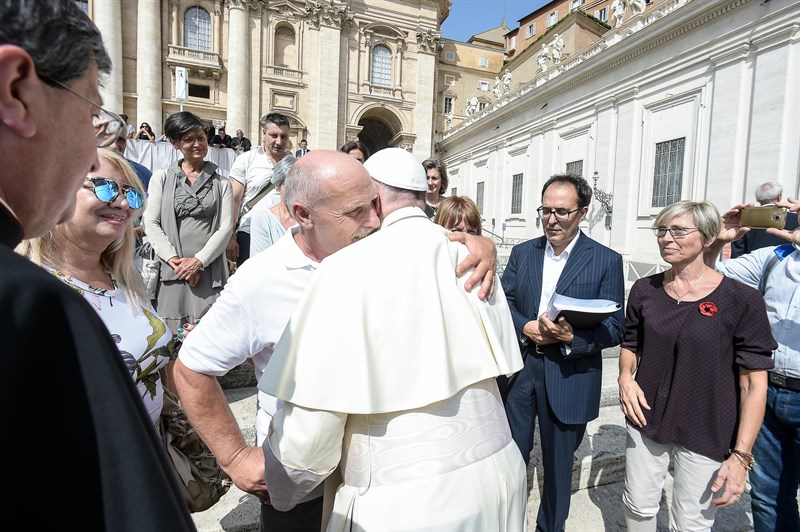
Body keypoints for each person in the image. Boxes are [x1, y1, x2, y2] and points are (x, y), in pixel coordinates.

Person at [175, 150, 499, 532]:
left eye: (375, 204)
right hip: (301, 486)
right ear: (303, 215)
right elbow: (191, 368)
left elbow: (434, 246)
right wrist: (235, 458)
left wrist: (477, 246)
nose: (375, 220)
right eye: (355, 212)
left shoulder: (383, 250)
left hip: (377, 478)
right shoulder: (260, 281)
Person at [0, 2, 195, 530]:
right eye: (91, 116)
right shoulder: (30, 300)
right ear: (16, 90)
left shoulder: (105, 283)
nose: (92, 155)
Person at [258, 147, 526, 531]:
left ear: (376, 198)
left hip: (407, 504)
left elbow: (307, 445)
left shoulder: (343, 269)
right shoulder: (470, 254)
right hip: (503, 477)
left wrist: (281, 492)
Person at [619, 200, 775, 531]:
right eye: (661, 230)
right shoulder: (645, 290)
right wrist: (624, 377)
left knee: (691, 522)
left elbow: (753, 384)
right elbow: (631, 343)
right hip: (645, 416)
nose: (666, 238)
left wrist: (741, 456)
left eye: (677, 230)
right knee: (638, 507)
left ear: (707, 238)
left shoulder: (741, 300)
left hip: (707, 425)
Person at [500, 172, 625, 532]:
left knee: (557, 470)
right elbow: (503, 301)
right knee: (509, 459)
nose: (551, 219)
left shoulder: (605, 260)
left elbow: (616, 326)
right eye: (545, 211)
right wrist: (524, 324)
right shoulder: (524, 253)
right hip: (522, 369)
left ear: (582, 212)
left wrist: (571, 337)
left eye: (561, 212)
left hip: (569, 374)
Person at [19, 148, 172, 425]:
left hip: (151, 452)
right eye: (104, 187)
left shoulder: (124, 275)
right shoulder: (26, 286)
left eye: (132, 193)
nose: (122, 203)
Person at [704, 198, 800, 532]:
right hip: (768, 392)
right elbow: (708, 277)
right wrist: (717, 240)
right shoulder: (776, 259)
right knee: (767, 495)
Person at [143, 111, 233, 334]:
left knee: (209, 337)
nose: (197, 144)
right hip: (170, 272)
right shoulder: (161, 178)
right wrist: (177, 262)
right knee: (170, 340)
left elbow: (226, 227)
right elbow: (151, 223)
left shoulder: (222, 183)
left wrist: (198, 262)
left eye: (201, 137)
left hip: (210, 271)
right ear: (174, 143)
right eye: (188, 139)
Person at [227, 112, 290, 266]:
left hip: (284, 235)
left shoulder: (295, 163)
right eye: (274, 135)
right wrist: (230, 236)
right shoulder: (246, 159)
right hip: (249, 232)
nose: (279, 141)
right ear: (263, 134)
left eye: (284, 136)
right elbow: (233, 199)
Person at [731, 181, 799, 258]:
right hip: (784, 267)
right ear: (779, 196)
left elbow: (737, 252)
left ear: (758, 199)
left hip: (751, 266)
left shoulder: (745, 220)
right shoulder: (796, 219)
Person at [249, 154, 297, 256]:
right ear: (277, 186)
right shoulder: (261, 219)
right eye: (288, 184)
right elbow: (259, 263)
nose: (294, 190)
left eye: (297, 184)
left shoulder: (311, 219)